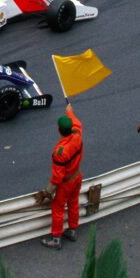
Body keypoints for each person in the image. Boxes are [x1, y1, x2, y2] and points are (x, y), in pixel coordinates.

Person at [37, 103, 83, 250]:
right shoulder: (77, 135)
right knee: (74, 202)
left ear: (59, 130)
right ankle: (73, 230)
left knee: (57, 208)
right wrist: (70, 111)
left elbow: (57, 177)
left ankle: (56, 238)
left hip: (66, 183)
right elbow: (77, 122)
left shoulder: (60, 152)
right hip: (77, 177)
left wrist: (47, 192)